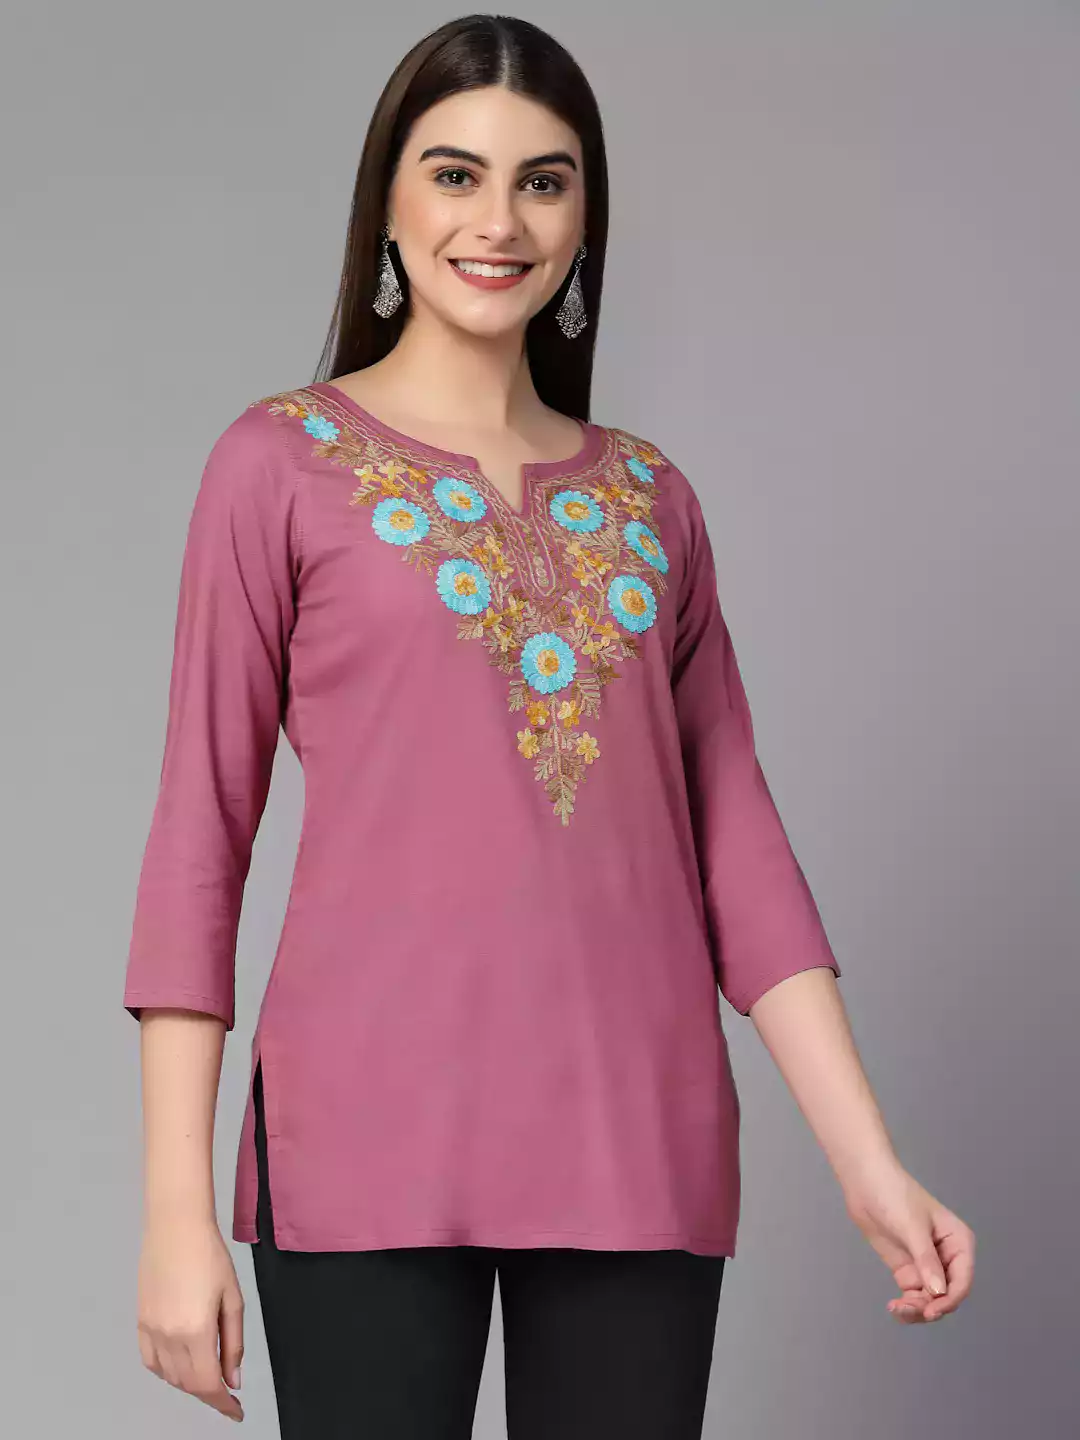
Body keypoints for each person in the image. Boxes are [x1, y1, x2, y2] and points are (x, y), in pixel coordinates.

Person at [122, 14, 976, 1437]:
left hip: (637, 1139)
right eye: (455, 174)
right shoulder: (276, 467)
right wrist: (172, 1210)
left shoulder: (650, 501)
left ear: (584, 220)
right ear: (388, 202)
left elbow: (738, 846)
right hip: (366, 1138)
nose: (499, 221)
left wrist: (869, 1163)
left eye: (544, 181)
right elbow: (197, 839)